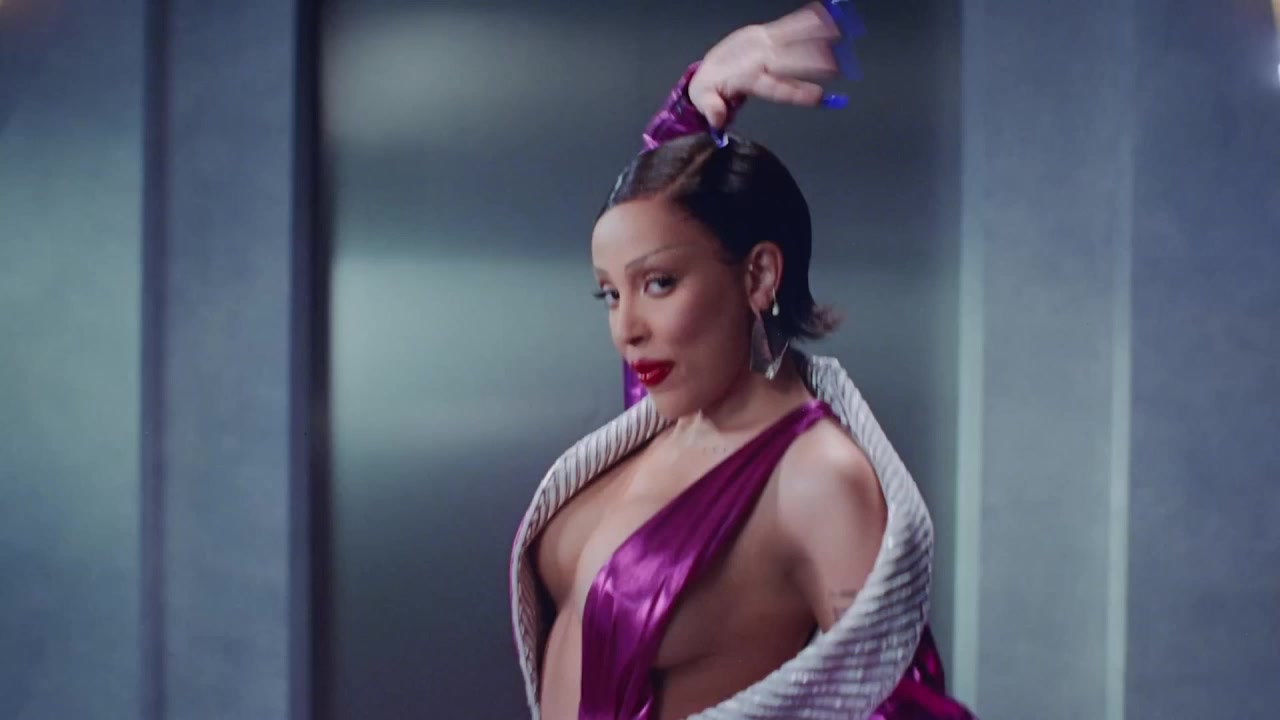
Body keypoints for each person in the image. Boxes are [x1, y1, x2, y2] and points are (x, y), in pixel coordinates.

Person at [509, 3, 976, 718]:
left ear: (758, 276)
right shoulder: (672, 415)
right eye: (609, 293)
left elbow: (902, 697)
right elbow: (667, 226)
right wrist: (689, 112)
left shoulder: (816, 479)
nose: (625, 330)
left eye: (658, 284)